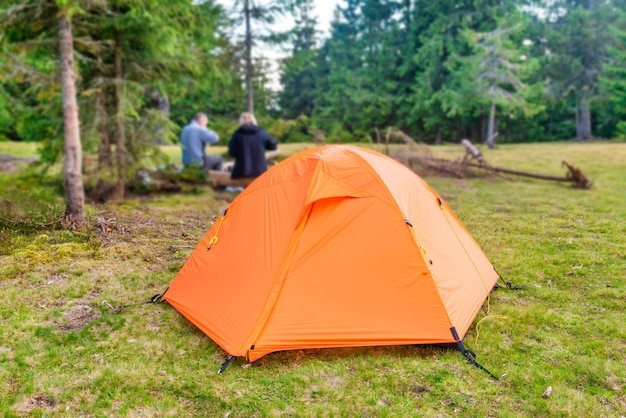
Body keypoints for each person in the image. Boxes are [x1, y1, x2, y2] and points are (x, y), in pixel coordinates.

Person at [228, 112, 277, 179]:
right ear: (254, 120)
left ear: (241, 121)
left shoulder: (237, 135)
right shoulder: (261, 132)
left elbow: (232, 153)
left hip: (242, 171)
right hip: (260, 170)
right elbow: (273, 146)